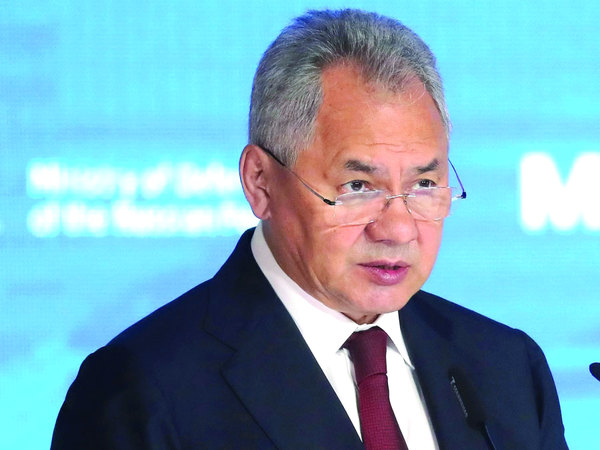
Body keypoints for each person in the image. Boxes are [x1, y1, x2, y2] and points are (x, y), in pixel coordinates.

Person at [52, 8, 568, 449]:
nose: (398, 229)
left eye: (424, 184)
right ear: (260, 182)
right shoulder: (140, 390)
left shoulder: (507, 368)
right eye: (358, 186)